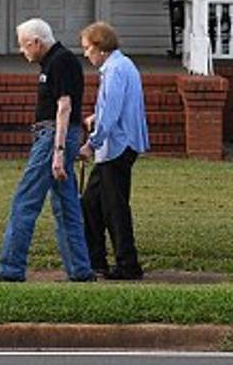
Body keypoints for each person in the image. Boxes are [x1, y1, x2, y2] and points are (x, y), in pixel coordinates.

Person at [0, 18, 95, 283]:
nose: (22, 51)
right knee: (66, 205)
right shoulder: (54, 61)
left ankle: (10, 268)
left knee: (25, 201)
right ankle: (80, 270)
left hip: (53, 136)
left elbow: (64, 107)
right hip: (55, 136)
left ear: (37, 42)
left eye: (24, 45)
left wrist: (58, 151)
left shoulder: (60, 61)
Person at [77, 21, 149, 280]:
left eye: (87, 48)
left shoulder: (115, 70)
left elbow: (111, 112)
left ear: (100, 47)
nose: (86, 54)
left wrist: (91, 144)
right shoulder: (122, 65)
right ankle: (97, 260)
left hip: (117, 146)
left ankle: (127, 264)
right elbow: (112, 107)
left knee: (114, 207)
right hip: (120, 144)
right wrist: (95, 117)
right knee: (90, 203)